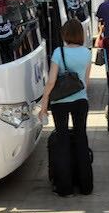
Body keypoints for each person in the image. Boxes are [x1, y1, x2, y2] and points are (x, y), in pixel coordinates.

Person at [39, 18, 93, 196]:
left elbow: (52, 81)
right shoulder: (86, 52)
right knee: (81, 139)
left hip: (60, 102)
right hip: (80, 100)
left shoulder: (58, 52)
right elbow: (86, 81)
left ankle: (65, 188)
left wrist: (44, 103)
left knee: (62, 141)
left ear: (65, 34)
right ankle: (86, 186)